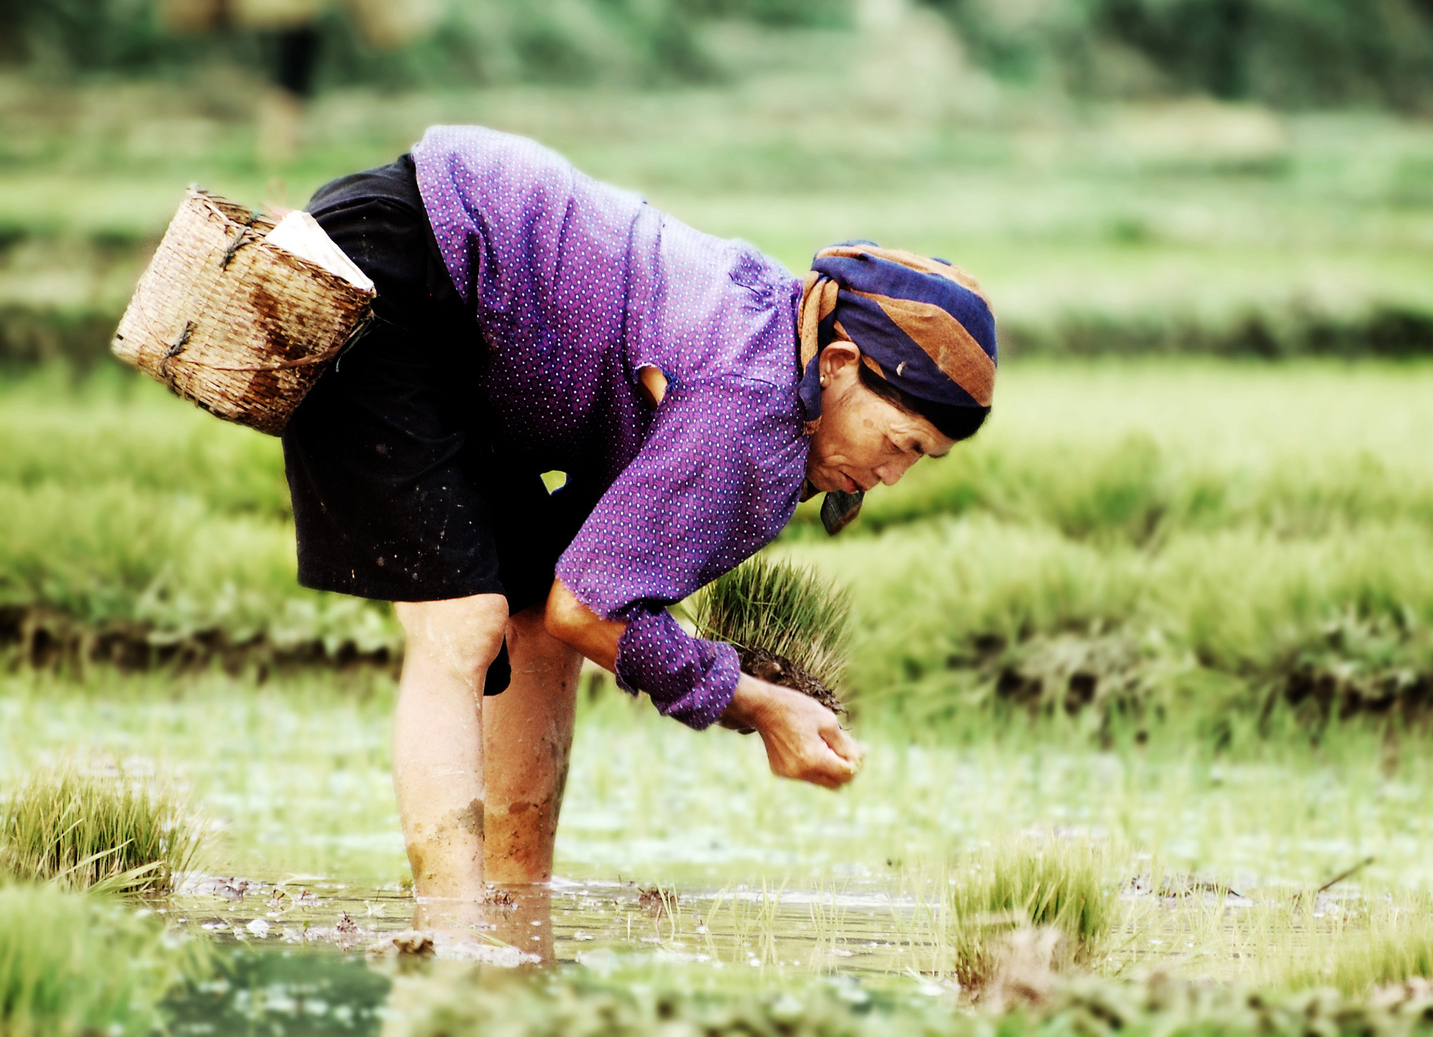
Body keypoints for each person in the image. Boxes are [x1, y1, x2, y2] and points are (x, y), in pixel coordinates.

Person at [282, 126, 998, 905]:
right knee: (464, 623)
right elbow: (589, 610)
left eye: (919, 459)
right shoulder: (751, 405)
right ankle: (451, 934)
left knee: (530, 615)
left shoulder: (778, 349)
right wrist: (757, 705)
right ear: (838, 367)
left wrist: (723, 681)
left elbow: (572, 604)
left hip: (468, 320)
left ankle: (521, 910)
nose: (890, 474)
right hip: (400, 266)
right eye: (898, 442)